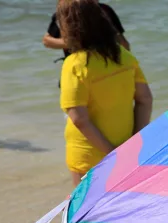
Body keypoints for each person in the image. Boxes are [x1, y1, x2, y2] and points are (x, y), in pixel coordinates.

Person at [58, 0, 152, 186]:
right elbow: (145, 99)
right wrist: (131, 146)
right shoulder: (123, 55)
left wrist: (111, 154)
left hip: (88, 156)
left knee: (88, 213)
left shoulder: (75, 64)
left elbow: (79, 118)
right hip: (125, 150)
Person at [42, 0, 128, 56]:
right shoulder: (66, 13)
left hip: (105, 66)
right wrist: (72, 43)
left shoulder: (105, 10)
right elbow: (46, 40)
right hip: (76, 67)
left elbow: (125, 46)